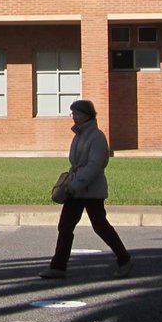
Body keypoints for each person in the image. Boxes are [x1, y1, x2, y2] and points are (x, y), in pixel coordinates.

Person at [40, 99, 134, 279]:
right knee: (65, 226)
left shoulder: (97, 137)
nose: (74, 117)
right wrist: (71, 183)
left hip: (91, 191)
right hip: (75, 190)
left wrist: (76, 184)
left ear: (87, 115)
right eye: (73, 113)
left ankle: (125, 259)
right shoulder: (79, 135)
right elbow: (76, 163)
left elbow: (94, 165)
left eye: (77, 113)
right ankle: (58, 266)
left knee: (100, 226)